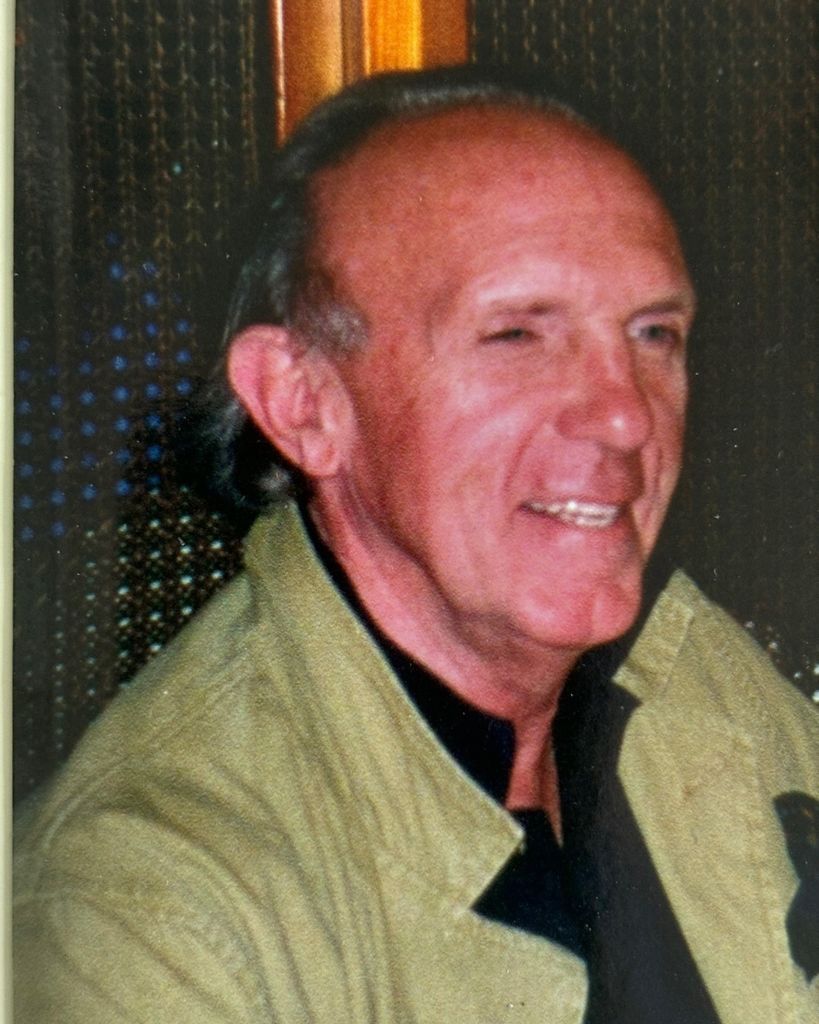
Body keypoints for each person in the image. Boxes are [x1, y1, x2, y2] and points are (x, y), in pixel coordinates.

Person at [14, 67, 818, 1024]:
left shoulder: (690, 676)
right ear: (302, 403)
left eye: (653, 333)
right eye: (515, 335)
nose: (624, 416)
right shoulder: (141, 921)